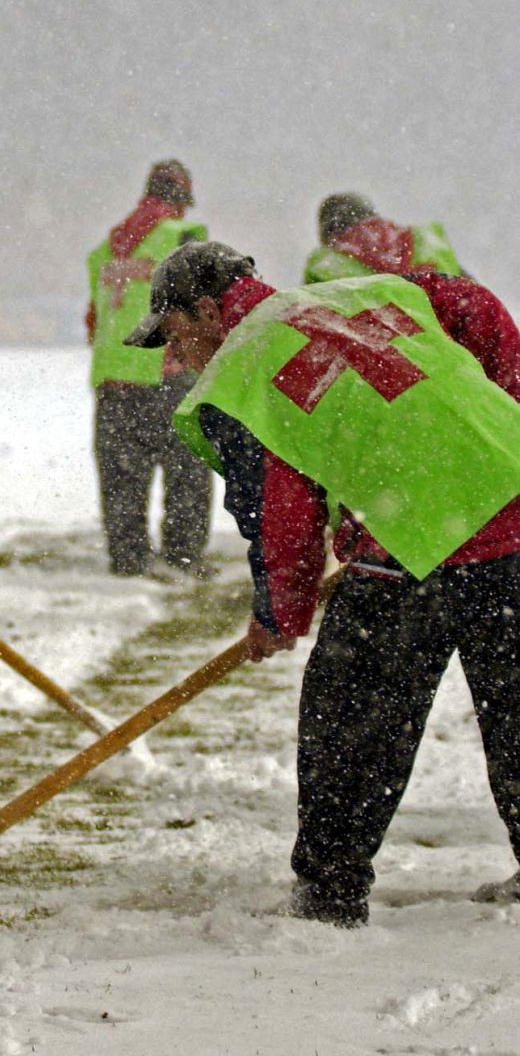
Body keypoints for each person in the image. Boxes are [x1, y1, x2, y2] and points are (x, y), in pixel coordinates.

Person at [125, 239, 520, 924]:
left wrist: (281, 609)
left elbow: (281, 504)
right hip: (512, 487)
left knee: (351, 718)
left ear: (211, 308)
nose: (174, 357)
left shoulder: (243, 367)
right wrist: (496, 412)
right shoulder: (363, 293)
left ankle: (330, 892)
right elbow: (474, 303)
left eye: (176, 334)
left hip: (417, 526)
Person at [85, 161, 213, 578]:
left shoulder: (106, 250)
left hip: (113, 383)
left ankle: (128, 563)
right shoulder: (184, 239)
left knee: (122, 481)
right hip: (168, 375)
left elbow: (93, 321)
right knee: (188, 477)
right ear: (180, 202)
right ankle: (182, 562)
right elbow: (207, 307)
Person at [304, 191, 464, 283]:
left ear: (326, 232)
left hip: (373, 339)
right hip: (441, 338)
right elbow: (478, 300)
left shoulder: (325, 263)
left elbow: (305, 322)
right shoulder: (427, 240)